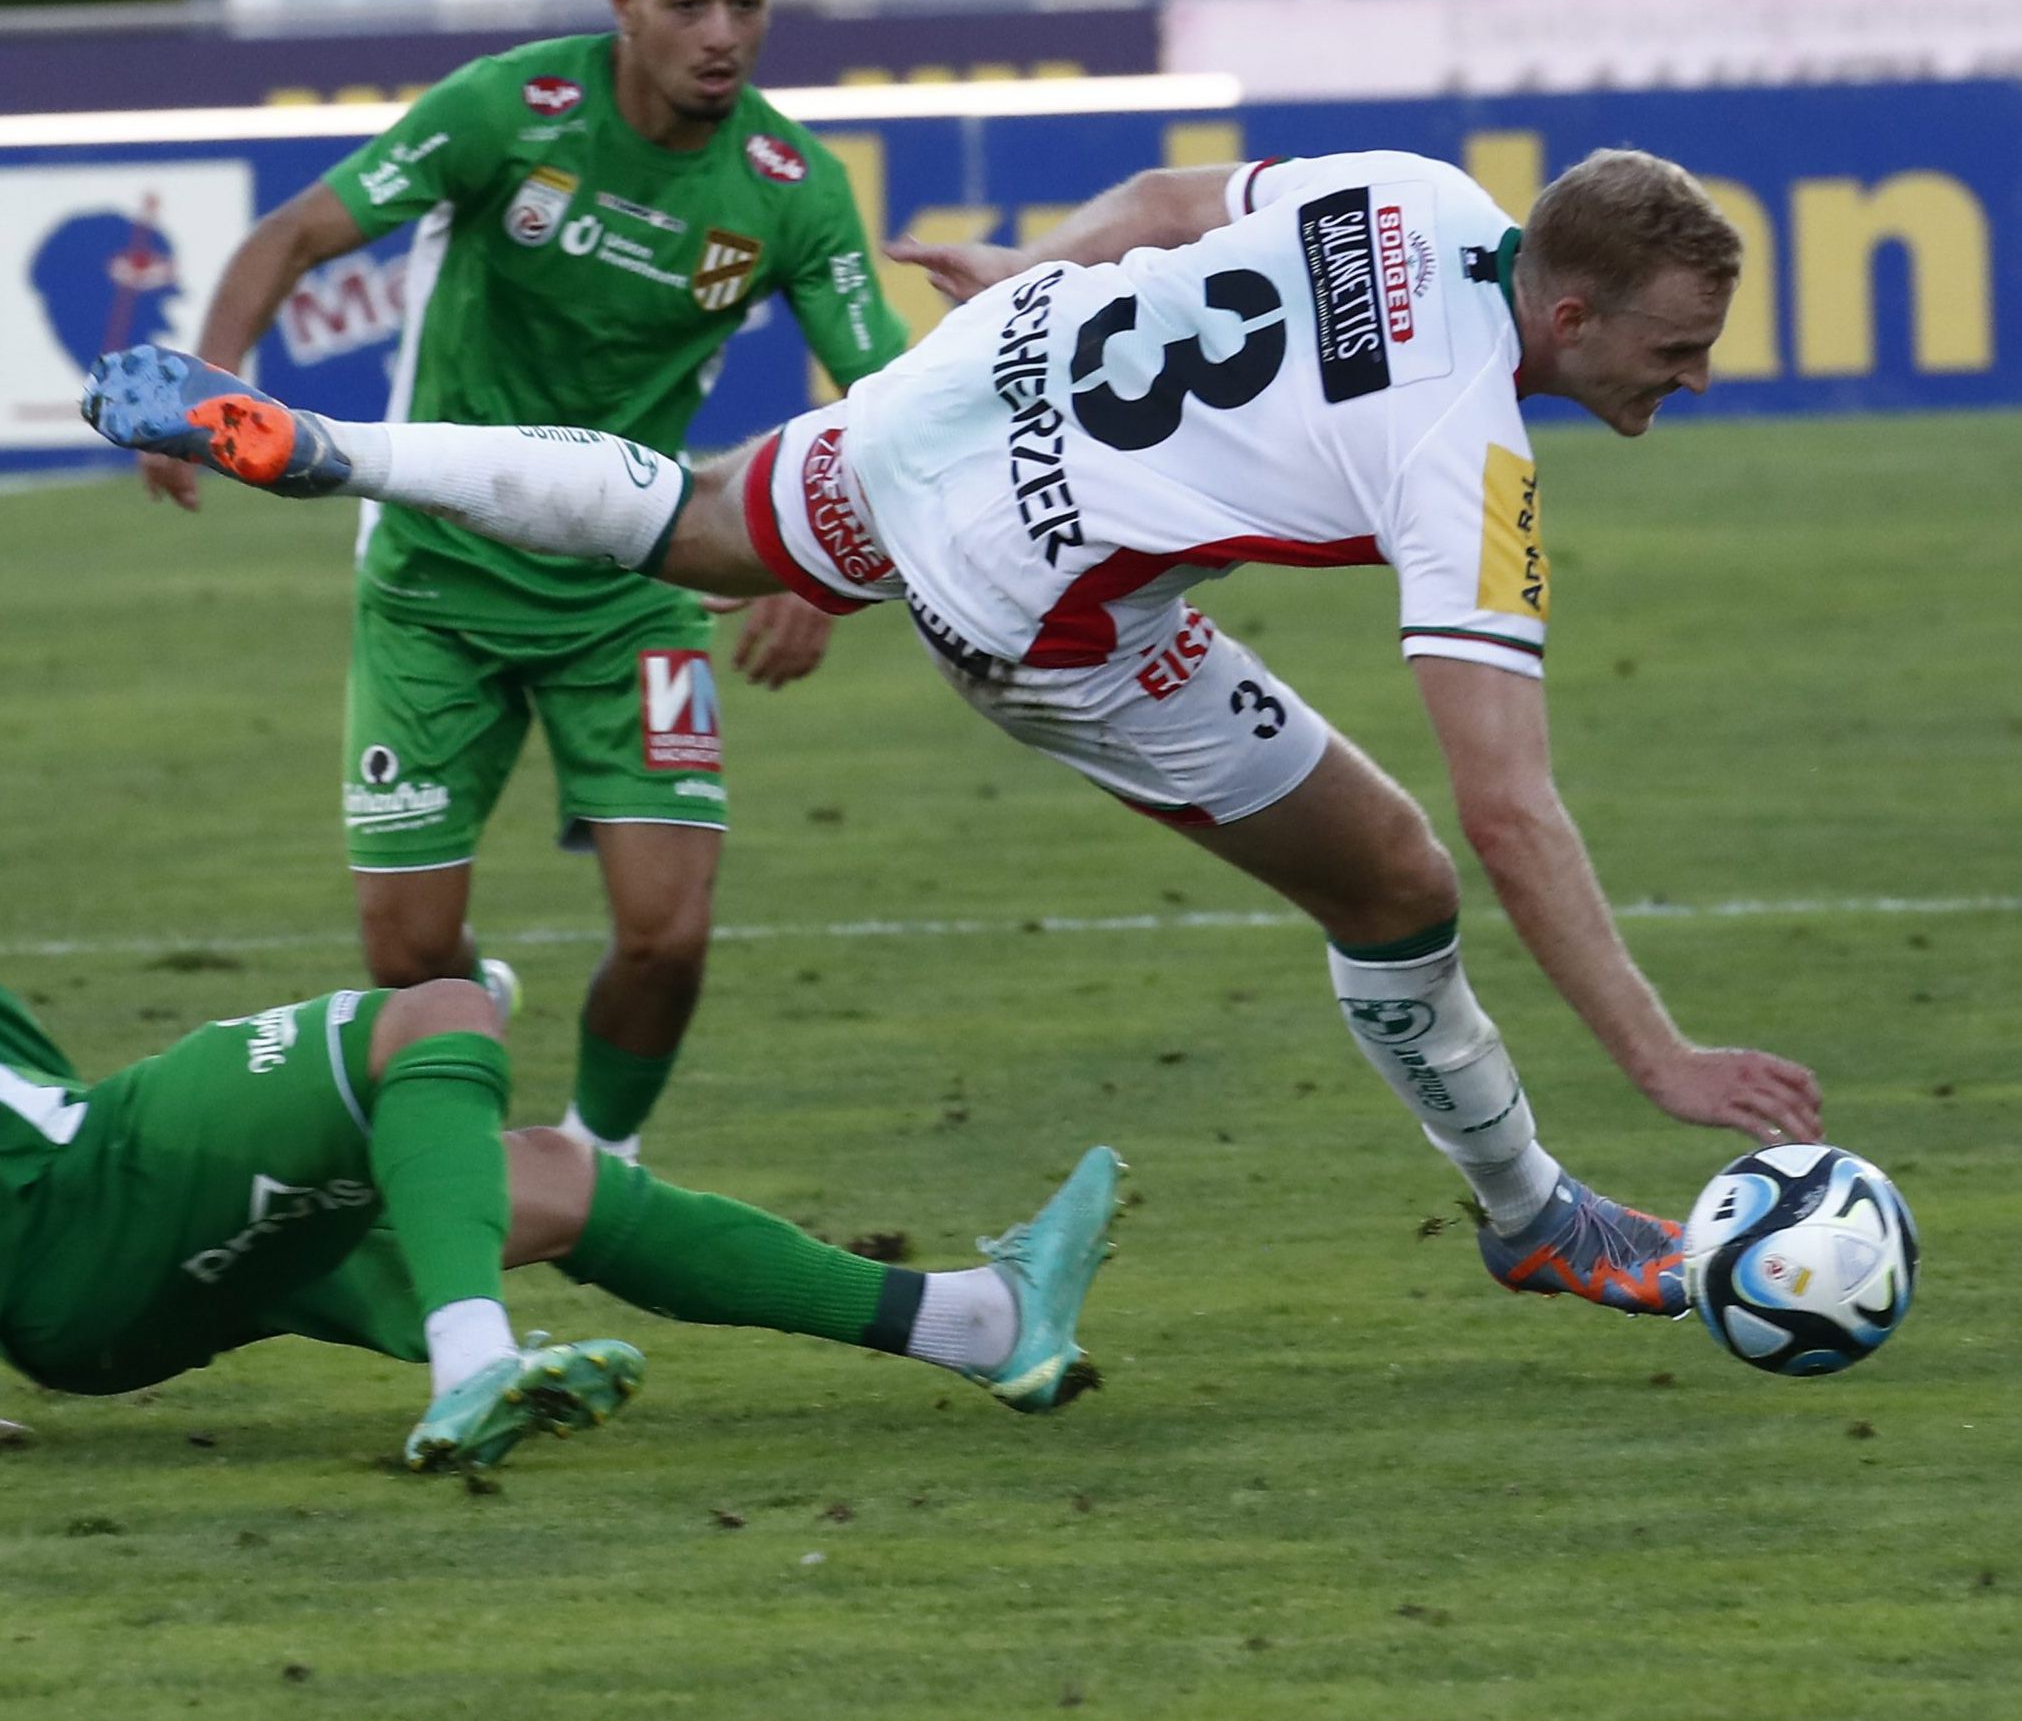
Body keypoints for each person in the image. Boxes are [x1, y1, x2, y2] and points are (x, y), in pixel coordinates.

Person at [82, 144, 1826, 1318]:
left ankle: (320, 443)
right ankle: (1533, 1215)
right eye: (1674, 350)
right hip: (1046, 604)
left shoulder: (1419, 188)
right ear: (1569, 310)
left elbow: (1156, 197)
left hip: (969, 388)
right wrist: (1656, 1056)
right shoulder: (1467, 447)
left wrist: (1018, 280)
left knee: (685, 520)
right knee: (1396, 880)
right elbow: (1510, 803)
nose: (1689, 381)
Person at [131, 0, 909, 1165]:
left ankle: (599, 1166)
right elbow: (294, 237)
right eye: (687, 0)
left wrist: (814, 568)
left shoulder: (788, 188)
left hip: (630, 582)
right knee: (411, 952)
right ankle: (467, 1040)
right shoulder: (513, 109)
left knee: (669, 931)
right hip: (437, 576)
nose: (721, 35)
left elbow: (887, 401)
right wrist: (210, 392)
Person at [0, 977, 1119, 1472]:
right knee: (435, 1017)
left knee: (544, 1173)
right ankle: (470, 1367)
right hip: (97, 1196)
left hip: (91, 1293)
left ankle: (976, 1321)